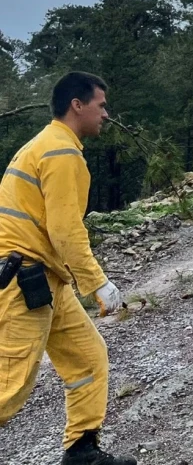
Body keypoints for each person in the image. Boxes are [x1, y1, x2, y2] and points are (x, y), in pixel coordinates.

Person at [0, 72, 137, 464]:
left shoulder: (49, 144)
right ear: (77, 105)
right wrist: (99, 284)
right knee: (8, 388)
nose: (106, 114)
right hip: (23, 278)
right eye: (101, 105)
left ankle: (81, 451)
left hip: (45, 276)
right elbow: (65, 231)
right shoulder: (60, 153)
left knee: (87, 358)